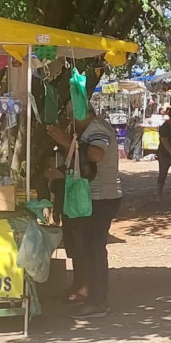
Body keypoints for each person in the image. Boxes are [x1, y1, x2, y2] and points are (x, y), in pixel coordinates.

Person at [47, 101, 122, 318]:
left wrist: (68, 141)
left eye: (72, 117)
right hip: (90, 196)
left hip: (101, 197)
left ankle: (98, 301)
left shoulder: (98, 129)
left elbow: (96, 155)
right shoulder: (88, 130)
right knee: (86, 246)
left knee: (95, 249)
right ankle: (85, 290)